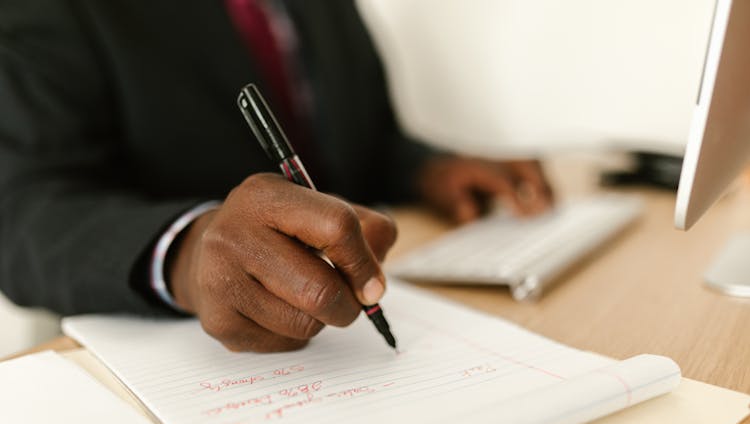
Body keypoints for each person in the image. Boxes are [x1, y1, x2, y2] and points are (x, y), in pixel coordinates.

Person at [0, 0, 553, 352]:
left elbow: (359, 139)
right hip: (152, 364)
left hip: (342, 339)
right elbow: (22, 206)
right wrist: (186, 250)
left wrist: (428, 168)